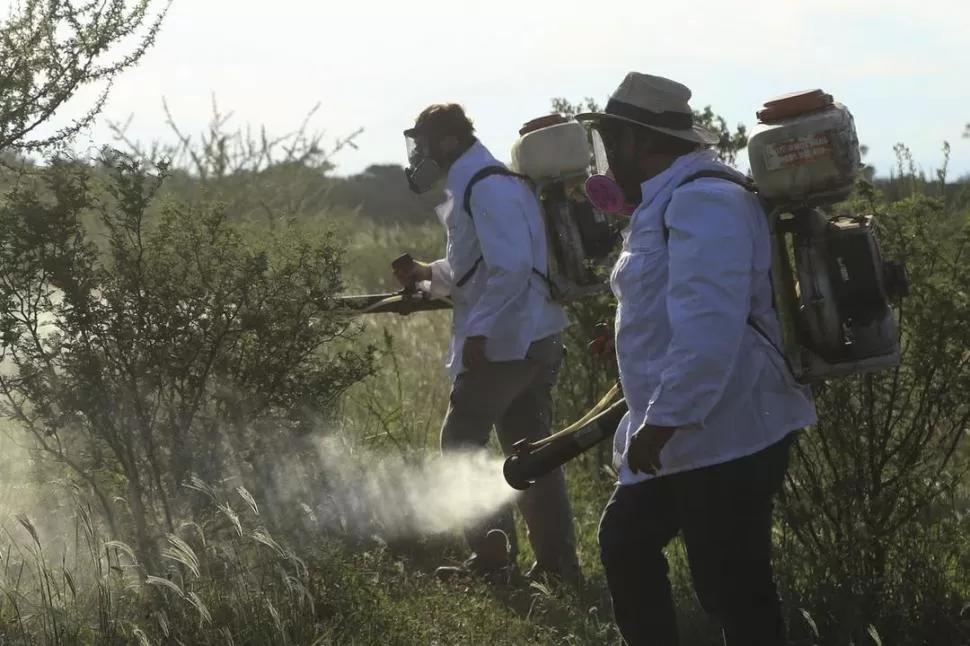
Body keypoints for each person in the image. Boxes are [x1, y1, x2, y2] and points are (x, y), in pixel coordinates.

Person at [574, 72, 818, 645]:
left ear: (637, 141)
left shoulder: (705, 200)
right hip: (688, 431)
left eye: (610, 139)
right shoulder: (672, 198)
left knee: (735, 591)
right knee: (627, 542)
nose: (606, 156)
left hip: (726, 431)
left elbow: (710, 327)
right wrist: (629, 337)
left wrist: (662, 421)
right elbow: (679, 297)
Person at [392, 103, 581, 586]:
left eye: (427, 144)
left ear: (449, 143)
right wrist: (428, 274)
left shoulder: (487, 187)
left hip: (510, 342)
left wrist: (483, 331)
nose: (421, 155)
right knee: (532, 451)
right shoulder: (482, 184)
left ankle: (494, 562)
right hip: (530, 336)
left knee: (460, 443)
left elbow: (512, 268)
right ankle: (557, 568)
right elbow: (476, 268)